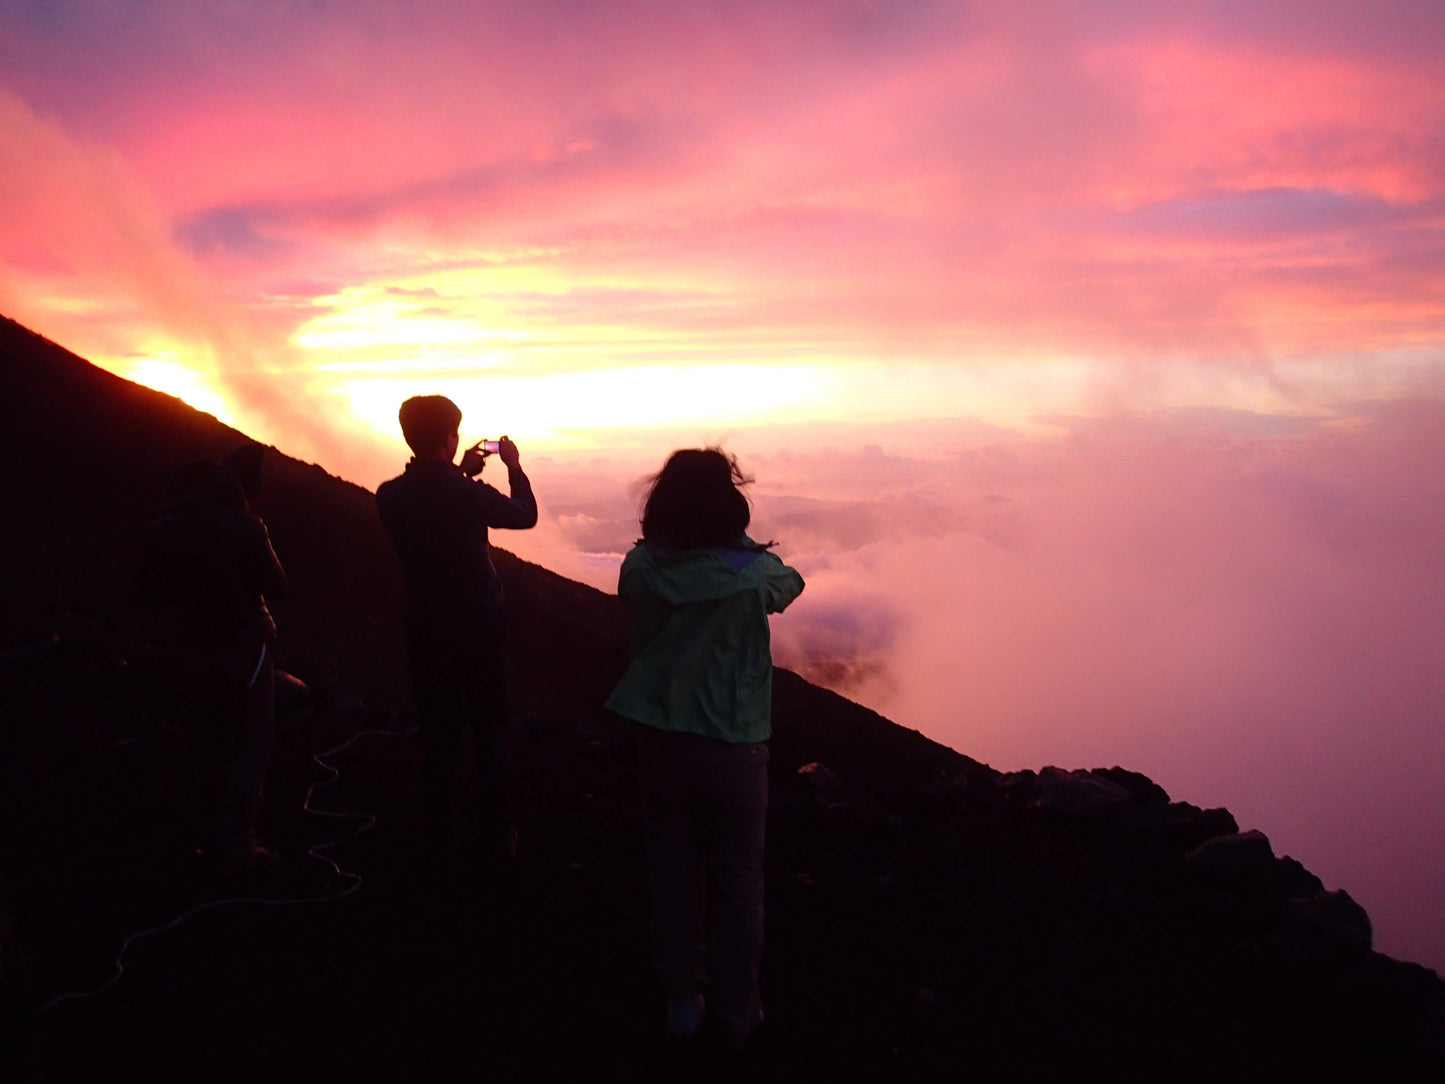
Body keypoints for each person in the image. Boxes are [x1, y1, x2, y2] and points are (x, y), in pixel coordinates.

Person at [606, 448, 804, 1050]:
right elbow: (791, 583)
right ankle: (738, 1011)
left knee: (671, 873)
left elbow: (635, 598)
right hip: (736, 745)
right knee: (738, 881)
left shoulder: (641, 568)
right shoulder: (755, 574)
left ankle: (682, 1002)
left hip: (663, 739)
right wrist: (738, 543)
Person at [375, 395, 537, 866]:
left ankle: (439, 838)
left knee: (438, 733)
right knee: (490, 732)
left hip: (425, 624)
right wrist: (513, 466)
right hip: (479, 627)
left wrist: (459, 471)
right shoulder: (464, 494)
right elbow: (523, 514)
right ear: (451, 437)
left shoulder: (390, 495)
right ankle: (496, 837)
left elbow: (431, 499)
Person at [136, 454, 287, 873]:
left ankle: (193, 840)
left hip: (188, 646)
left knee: (201, 742)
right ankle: (238, 847)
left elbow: (145, 593)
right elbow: (277, 585)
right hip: (245, 647)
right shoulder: (246, 527)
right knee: (248, 747)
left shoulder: (163, 528)